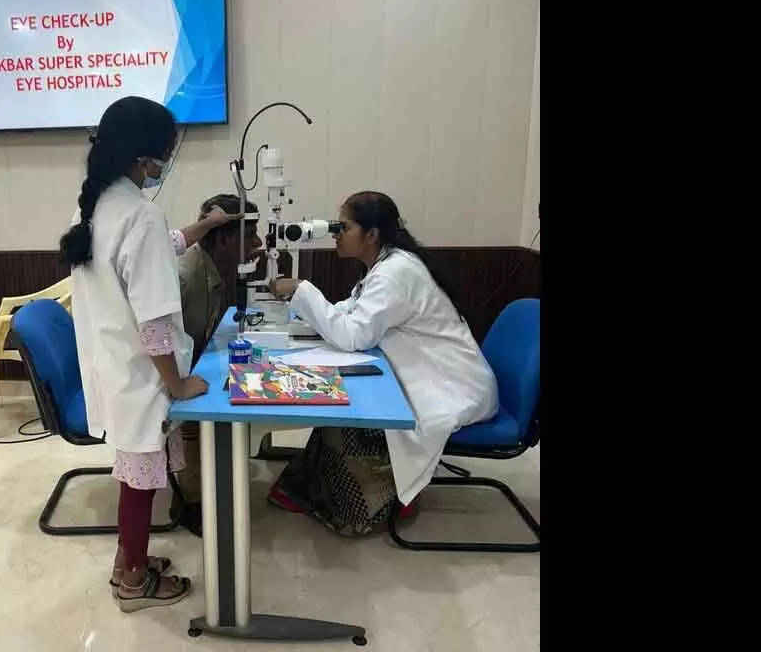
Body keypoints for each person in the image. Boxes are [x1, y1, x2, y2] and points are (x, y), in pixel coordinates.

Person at [266, 191, 499, 536]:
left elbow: (351, 335)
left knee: (352, 416)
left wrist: (302, 288)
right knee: (343, 402)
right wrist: (307, 315)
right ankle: (310, 489)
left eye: (343, 226)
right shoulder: (388, 265)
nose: (335, 233)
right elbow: (352, 310)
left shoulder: (395, 273)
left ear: (371, 235)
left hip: (449, 388)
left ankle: (369, 506)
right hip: (427, 376)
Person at [60, 96, 215, 612]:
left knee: (134, 477)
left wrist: (202, 228)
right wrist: (177, 385)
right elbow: (153, 322)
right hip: (141, 376)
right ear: (144, 156)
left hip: (112, 368)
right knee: (139, 484)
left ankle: (131, 559)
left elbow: (159, 246)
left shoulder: (99, 207)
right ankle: (132, 579)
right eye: (166, 152)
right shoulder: (140, 216)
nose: (165, 163)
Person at [169, 194, 263, 536]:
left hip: (191, 358)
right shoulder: (186, 277)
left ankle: (216, 472)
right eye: (250, 235)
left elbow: (219, 321)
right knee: (202, 409)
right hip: (163, 372)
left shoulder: (215, 264)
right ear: (223, 238)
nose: (258, 242)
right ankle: (192, 501)